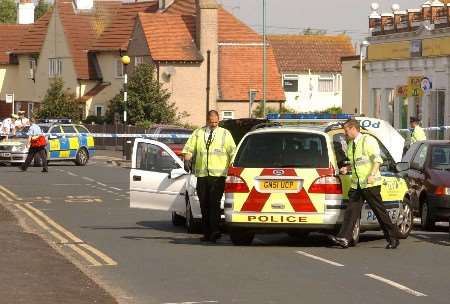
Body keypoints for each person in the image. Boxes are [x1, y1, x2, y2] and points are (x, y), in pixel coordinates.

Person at [330, 119, 400, 249]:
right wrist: (347, 169)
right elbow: (356, 163)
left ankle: (393, 238)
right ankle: (344, 238)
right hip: (357, 185)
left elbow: (377, 160)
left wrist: (372, 175)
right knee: (351, 212)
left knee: (380, 212)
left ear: (353, 128)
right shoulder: (351, 144)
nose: (345, 134)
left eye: (346, 131)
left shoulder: (367, 140)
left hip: (370, 185)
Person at [182, 110, 236, 242]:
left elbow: (233, 151)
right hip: (201, 174)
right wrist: (187, 159)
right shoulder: (198, 133)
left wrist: (233, 168)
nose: (214, 124)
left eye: (216, 122)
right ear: (207, 121)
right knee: (204, 203)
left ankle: (215, 231)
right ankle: (206, 233)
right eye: (211, 122)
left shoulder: (225, 134)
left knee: (214, 203)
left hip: (218, 175)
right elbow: (189, 148)